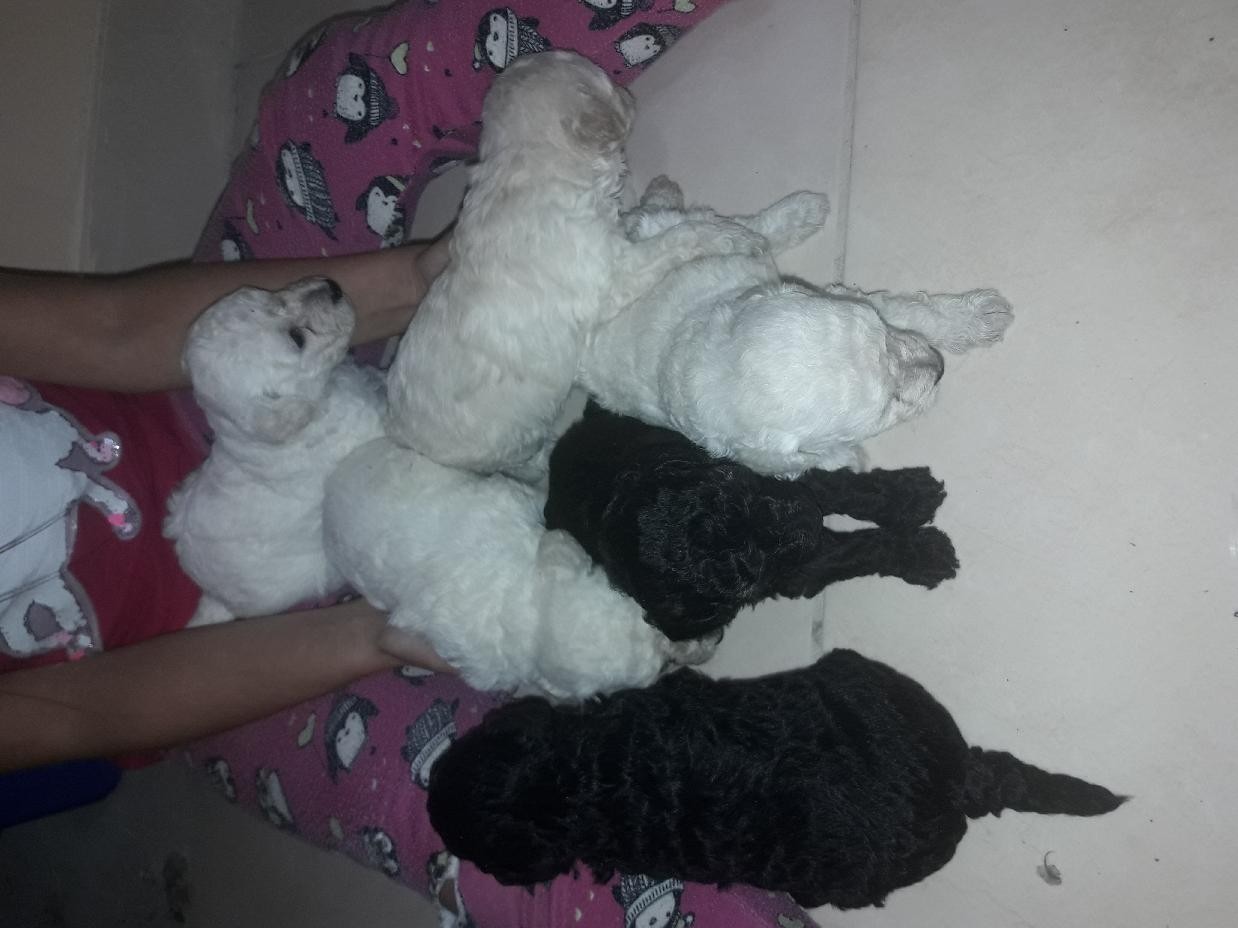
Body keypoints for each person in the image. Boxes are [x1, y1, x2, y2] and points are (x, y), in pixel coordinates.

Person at [3, 0, 820, 923]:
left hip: (222, 375)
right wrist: (375, 633)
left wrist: (420, 273)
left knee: (347, 81)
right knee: (512, 832)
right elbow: (80, 715)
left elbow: (115, 330)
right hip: (230, 666)